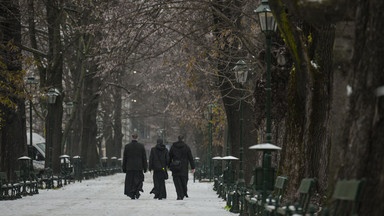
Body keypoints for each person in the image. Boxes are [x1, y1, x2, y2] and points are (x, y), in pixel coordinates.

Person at [169, 135, 195, 200]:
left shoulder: (173, 147)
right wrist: (193, 167)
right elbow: (190, 158)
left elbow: (169, 157)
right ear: (183, 139)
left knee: (177, 182)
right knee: (184, 181)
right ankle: (183, 192)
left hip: (175, 166)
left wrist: (169, 165)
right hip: (184, 167)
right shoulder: (186, 147)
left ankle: (179, 194)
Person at [122, 133, 147, 199]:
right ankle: (137, 190)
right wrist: (145, 167)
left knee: (130, 181)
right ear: (137, 138)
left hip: (130, 166)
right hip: (139, 166)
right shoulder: (141, 146)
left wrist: (124, 167)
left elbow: (125, 157)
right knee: (138, 180)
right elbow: (144, 157)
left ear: (131, 138)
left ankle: (131, 192)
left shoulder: (127, 146)